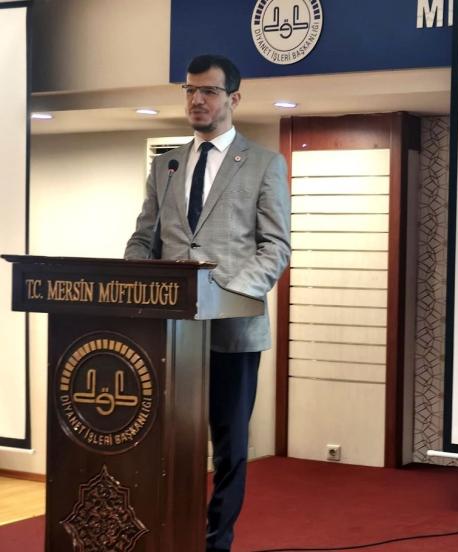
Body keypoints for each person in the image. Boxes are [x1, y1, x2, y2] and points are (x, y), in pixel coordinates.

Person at [125, 54, 290, 551]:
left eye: (209, 91)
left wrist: (225, 297)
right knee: (170, 442)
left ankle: (216, 542)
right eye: (190, 90)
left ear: (233, 98)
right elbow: (144, 238)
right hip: (170, 337)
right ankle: (169, 532)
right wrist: (130, 281)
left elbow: (274, 248)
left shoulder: (263, 163)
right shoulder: (167, 164)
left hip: (231, 333)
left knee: (229, 447)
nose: (197, 99)